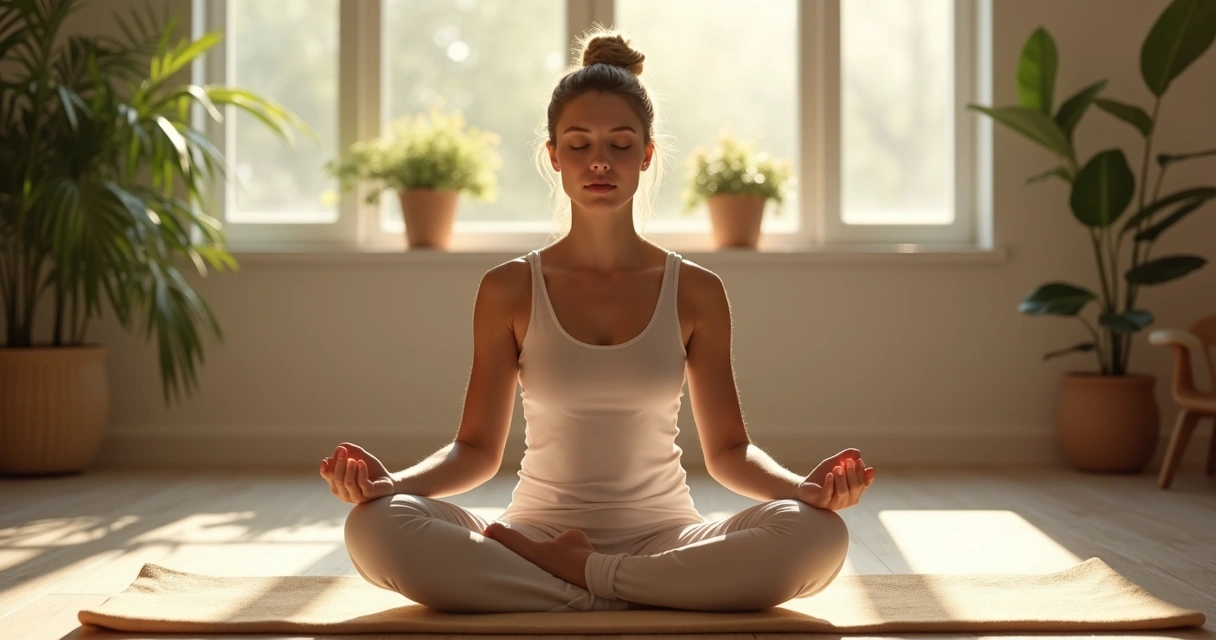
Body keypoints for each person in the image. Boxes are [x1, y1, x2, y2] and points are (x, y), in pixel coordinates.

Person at [320, 28, 875, 614]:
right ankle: (623, 588)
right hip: (533, 536)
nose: (600, 162)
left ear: (647, 153)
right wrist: (392, 485)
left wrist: (804, 491)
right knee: (375, 526)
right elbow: (477, 450)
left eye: (620, 143)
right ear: (554, 157)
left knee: (818, 535)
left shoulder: (697, 291)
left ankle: (577, 580)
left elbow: (730, 452)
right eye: (579, 145)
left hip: (665, 539)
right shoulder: (509, 287)